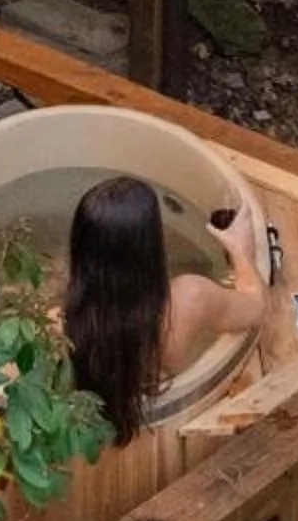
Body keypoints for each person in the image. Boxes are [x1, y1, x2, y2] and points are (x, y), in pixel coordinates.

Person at [62, 175, 266, 439]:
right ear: (150, 244)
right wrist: (241, 252)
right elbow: (258, 308)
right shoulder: (189, 298)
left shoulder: (61, 320)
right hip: (170, 420)